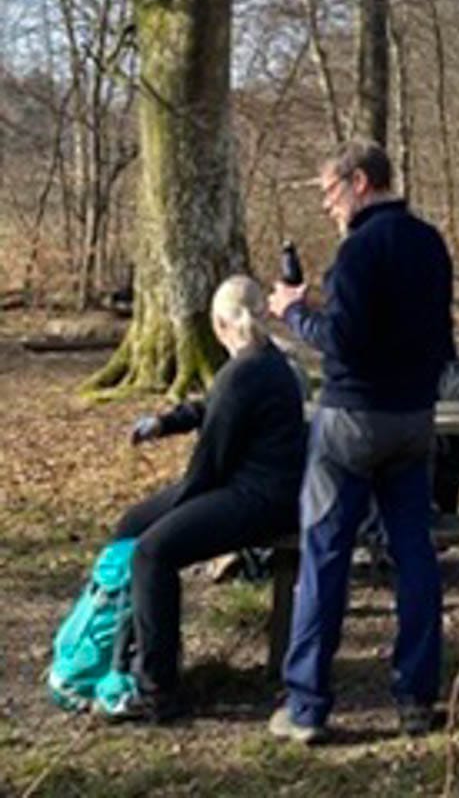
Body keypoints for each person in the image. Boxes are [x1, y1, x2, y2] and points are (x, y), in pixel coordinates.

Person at [267, 140, 454, 743]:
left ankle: (306, 705)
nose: (327, 206)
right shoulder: (430, 244)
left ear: (359, 182)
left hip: (351, 419)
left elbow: (343, 342)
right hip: (415, 418)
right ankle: (417, 698)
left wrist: (294, 313)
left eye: (328, 192)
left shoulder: (357, 252)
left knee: (324, 556)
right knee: (416, 557)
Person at [111, 275, 307, 721]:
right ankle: (128, 650)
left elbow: (207, 468)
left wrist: (177, 511)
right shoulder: (266, 360)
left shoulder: (245, 372)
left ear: (220, 324)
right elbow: (215, 407)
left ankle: (157, 691)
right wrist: (166, 422)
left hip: (262, 499)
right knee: (132, 523)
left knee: (152, 552)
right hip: (258, 487)